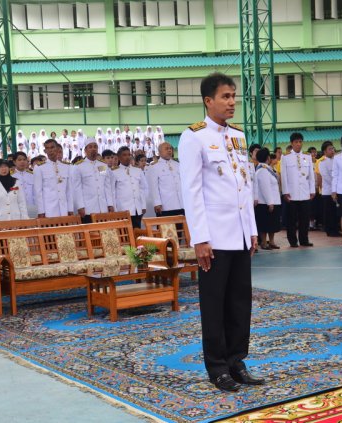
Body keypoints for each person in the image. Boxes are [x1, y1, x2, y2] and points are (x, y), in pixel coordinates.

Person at [179, 72, 262, 392]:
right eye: (225, 96)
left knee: (240, 302)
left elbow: (244, 185)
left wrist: (252, 230)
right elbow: (193, 192)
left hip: (239, 234)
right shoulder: (194, 137)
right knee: (215, 304)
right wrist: (199, 238)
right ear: (208, 100)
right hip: (214, 237)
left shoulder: (238, 137)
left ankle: (236, 361)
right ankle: (217, 367)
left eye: (233, 96)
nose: (231, 102)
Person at [280, 132, 315, 248]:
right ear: (292, 143)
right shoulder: (285, 158)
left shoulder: (307, 157)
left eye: (300, 142)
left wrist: (312, 190)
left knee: (304, 218)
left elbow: (311, 175)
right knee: (292, 219)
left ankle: (304, 239)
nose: (299, 144)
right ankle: (293, 241)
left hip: (305, 193)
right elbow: (283, 176)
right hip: (292, 193)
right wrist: (285, 191)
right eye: (296, 142)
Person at [72, 140, 114, 223]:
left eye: (95, 147)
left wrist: (110, 204)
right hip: (88, 208)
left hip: (103, 207)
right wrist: (80, 206)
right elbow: (77, 189)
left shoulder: (102, 165)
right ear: (85, 150)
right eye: (90, 147)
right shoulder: (79, 166)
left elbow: (106, 186)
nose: (93, 149)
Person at [34, 139, 74, 218]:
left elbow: (69, 190)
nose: (50, 150)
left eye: (52, 147)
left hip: (64, 209)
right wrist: (41, 211)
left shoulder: (66, 167)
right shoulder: (39, 167)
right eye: (47, 148)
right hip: (49, 210)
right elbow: (38, 192)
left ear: (57, 148)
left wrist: (70, 209)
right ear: (45, 151)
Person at [110, 146, 148, 228]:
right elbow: (112, 192)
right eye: (124, 155)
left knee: (137, 233)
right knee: (125, 235)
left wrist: (143, 205)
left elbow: (142, 189)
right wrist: (115, 210)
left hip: (137, 208)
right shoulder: (114, 172)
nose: (127, 157)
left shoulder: (137, 170)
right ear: (119, 157)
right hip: (123, 209)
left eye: (128, 155)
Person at [255, 147, 281, 249]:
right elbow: (265, 188)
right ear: (268, 158)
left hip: (273, 200)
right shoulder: (263, 170)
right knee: (265, 224)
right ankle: (264, 243)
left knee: (273, 223)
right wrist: (270, 202)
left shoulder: (267, 169)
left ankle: (272, 242)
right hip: (266, 202)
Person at [148, 142, 183, 217]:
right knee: (167, 228)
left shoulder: (177, 165)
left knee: (183, 228)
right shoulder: (154, 167)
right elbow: (153, 188)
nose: (169, 150)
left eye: (170, 148)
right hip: (166, 205)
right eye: (166, 149)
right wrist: (157, 203)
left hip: (181, 204)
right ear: (159, 152)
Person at [317, 141, 341, 237]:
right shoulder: (322, 162)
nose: (332, 150)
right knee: (329, 212)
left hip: (336, 190)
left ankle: (335, 229)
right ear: (324, 151)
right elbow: (326, 177)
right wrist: (335, 187)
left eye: (333, 148)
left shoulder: (336, 160)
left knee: (335, 212)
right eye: (330, 149)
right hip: (328, 191)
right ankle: (330, 230)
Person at [11, 151, 36, 217]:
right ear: (14, 162)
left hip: (33, 207)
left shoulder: (32, 175)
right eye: (19, 160)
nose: (22, 162)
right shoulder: (11, 177)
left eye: (24, 159)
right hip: (17, 209)